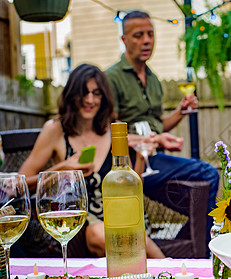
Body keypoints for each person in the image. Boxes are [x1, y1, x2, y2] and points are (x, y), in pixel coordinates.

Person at [19, 63, 165, 258]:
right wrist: (63, 168)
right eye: (84, 93)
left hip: (122, 214)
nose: (90, 100)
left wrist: (140, 156)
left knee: (126, 231)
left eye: (97, 93)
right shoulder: (55, 130)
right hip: (81, 222)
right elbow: (18, 184)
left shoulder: (110, 129)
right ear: (72, 95)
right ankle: (165, 269)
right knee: (101, 234)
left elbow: (131, 187)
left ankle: (161, 274)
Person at [104, 10, 220, 251]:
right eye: (138, 35)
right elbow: (107, 132)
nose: (147, 40)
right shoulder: (111, 78)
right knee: (208, 173)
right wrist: (153, 139)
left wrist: (181, 111)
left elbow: (157, 124)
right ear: (124, 40)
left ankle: (191, 244)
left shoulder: (153, 79)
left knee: (201, 190)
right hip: (129, 163)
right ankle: (201, 248)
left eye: (150, 34)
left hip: (153, 159)